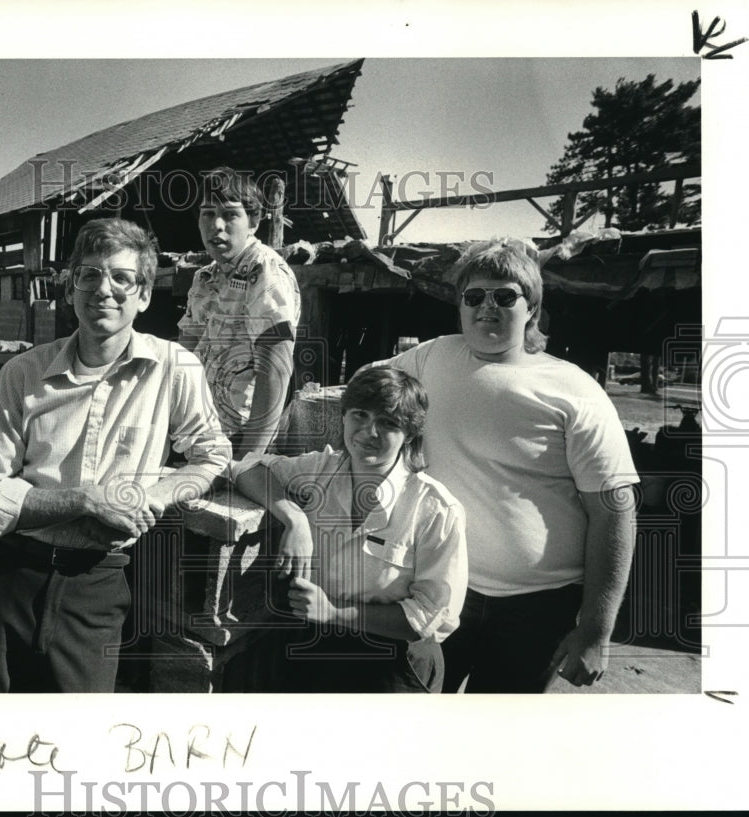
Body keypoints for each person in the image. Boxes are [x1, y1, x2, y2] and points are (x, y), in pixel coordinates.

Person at [0, 218, 231, 693]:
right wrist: (87, 499)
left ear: (144, 295)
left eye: (123, 278)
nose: (104, 289)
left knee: (79, 730)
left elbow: (210, 455)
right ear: (70, 290)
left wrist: (156, 495)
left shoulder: (174, 368)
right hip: (8, 575)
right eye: (89, 275)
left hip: (99, 582)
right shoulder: (22, 373)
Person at [386, 237, 638, 693]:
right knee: (413, 721)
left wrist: (596, 631)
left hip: (536, 613)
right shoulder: (430, 357)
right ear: (460, 306)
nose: (488, 307)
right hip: (439, 590)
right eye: (475, 296)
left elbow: (615, 509)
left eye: (505, 296)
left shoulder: (574, 390)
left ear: (532, 310)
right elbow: (362, 393)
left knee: (497, 738)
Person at [231, 368, 467, 693]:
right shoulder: (321, 470)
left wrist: (335, 613)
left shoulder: (436, 509)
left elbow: (426, 617)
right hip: (317, 643)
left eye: (388, 422)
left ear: (409, 435)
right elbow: (246, 468)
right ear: (343, 417)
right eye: (360, 414)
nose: (368, 431)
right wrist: (294, 518)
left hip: (393, 660)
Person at [178, 166, 301, 459]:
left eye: (230, 214)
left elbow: (276, 370)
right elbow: (183, 354)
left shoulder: (264, 269)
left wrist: (248, 460)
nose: (216, 225)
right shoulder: (203, 278)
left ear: (254, 222)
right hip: (198, 433)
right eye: (207, 214)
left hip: (242, 438)